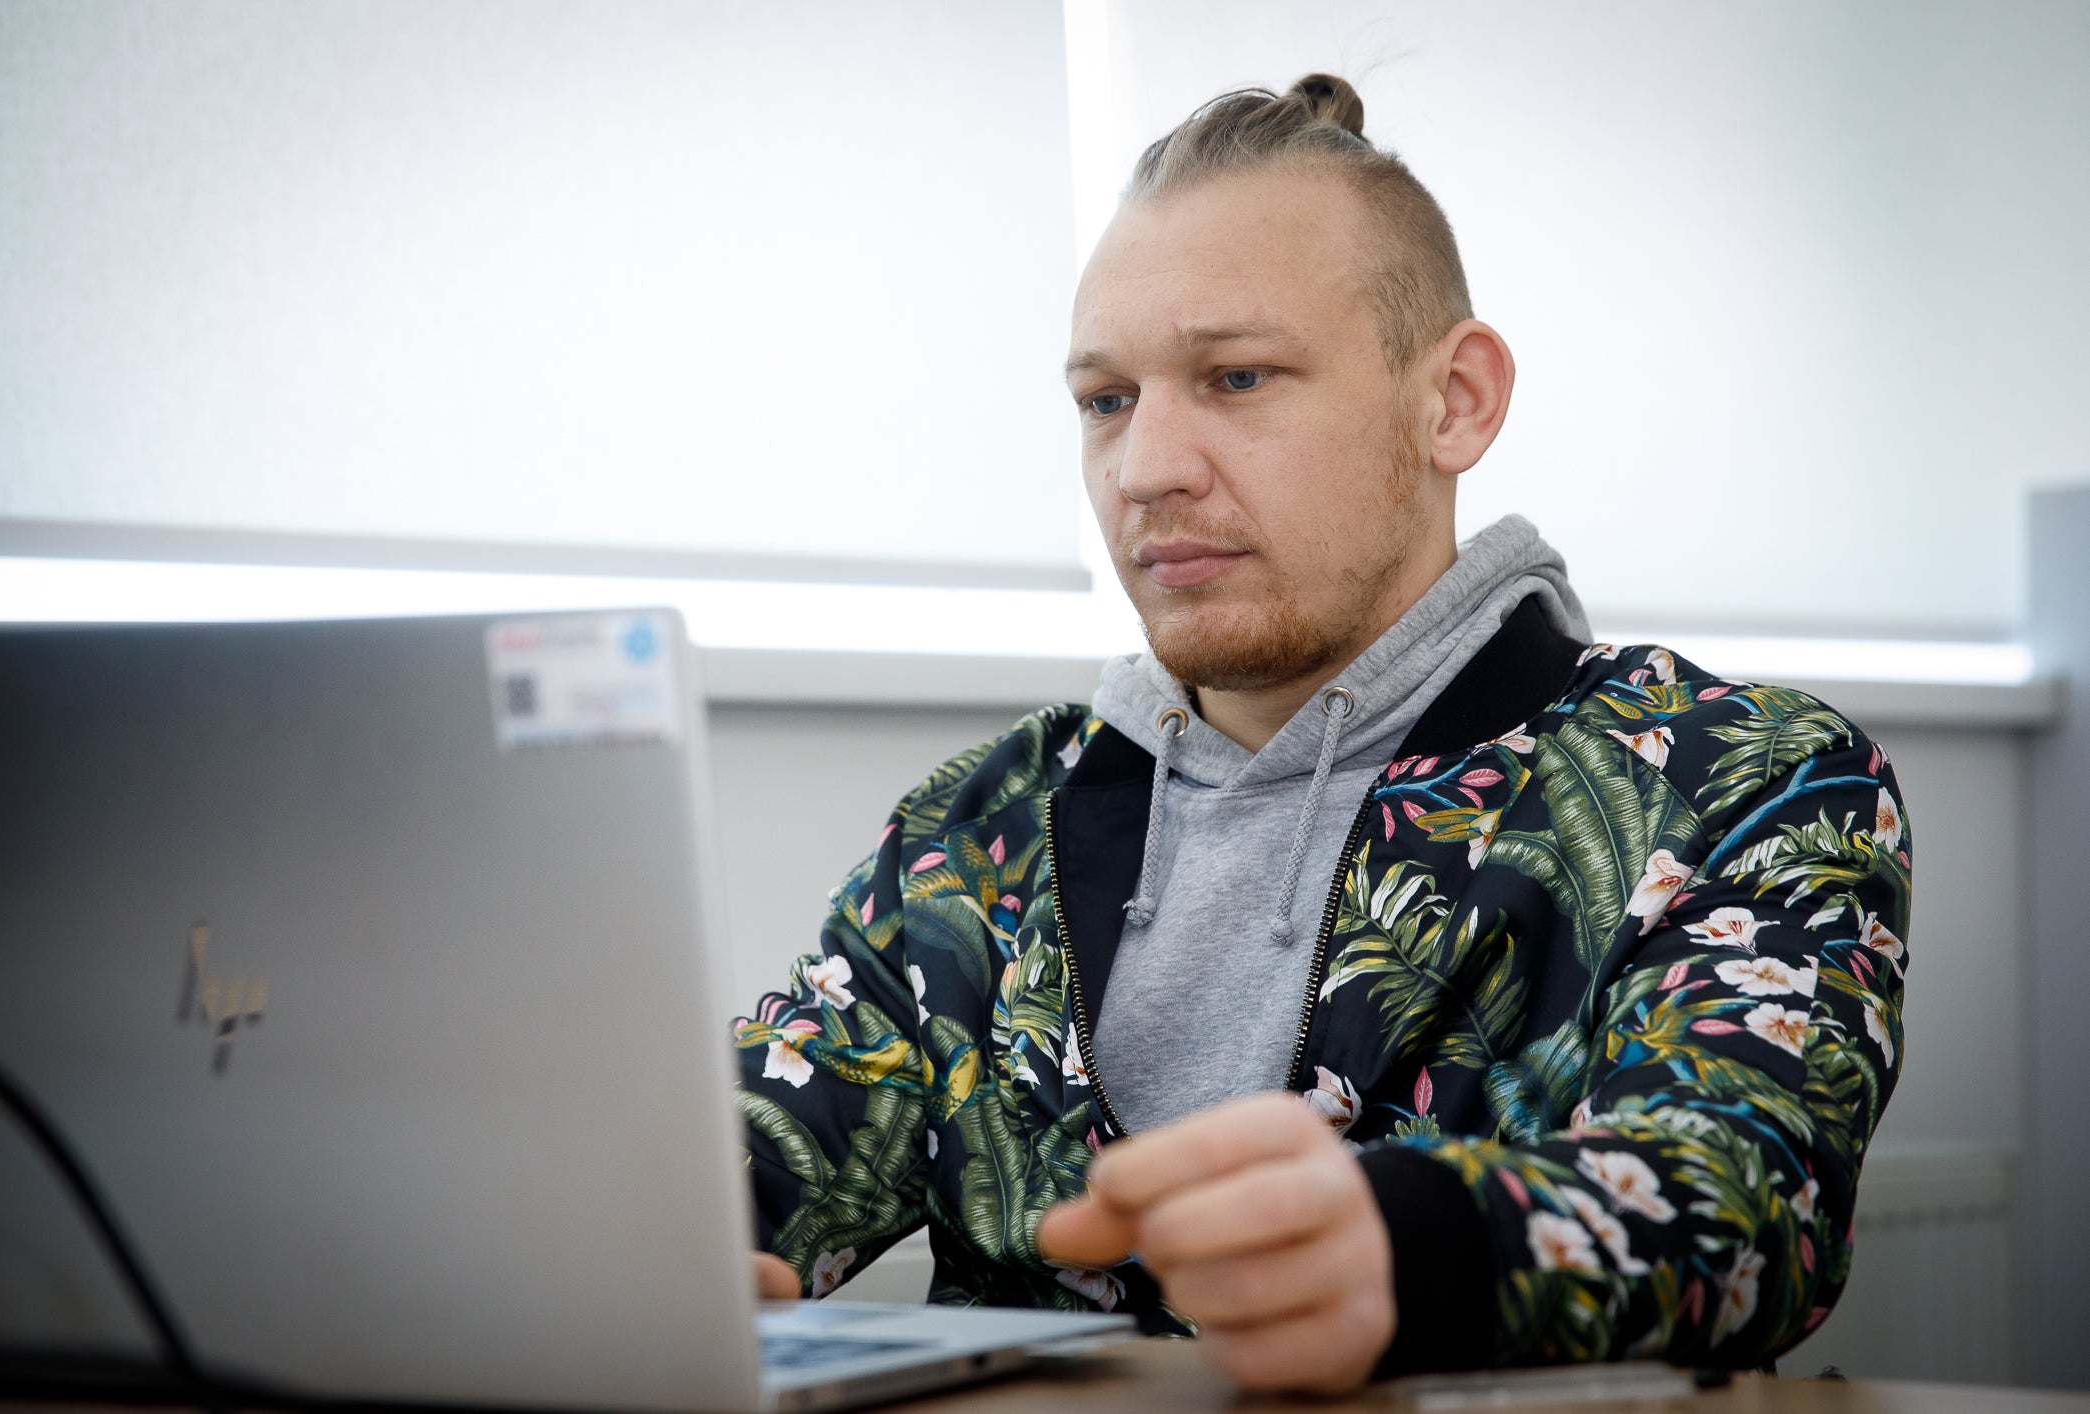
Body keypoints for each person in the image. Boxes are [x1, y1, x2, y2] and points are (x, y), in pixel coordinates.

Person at [732, 73, 1910, 1394]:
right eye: (1106, 398)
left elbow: (1745, 1202)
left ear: (1453, 400)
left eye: (1235, 376)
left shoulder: (1740, 779)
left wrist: (1409, 1249)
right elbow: (755, 1154)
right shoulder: (979, 822)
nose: (1142, 468)